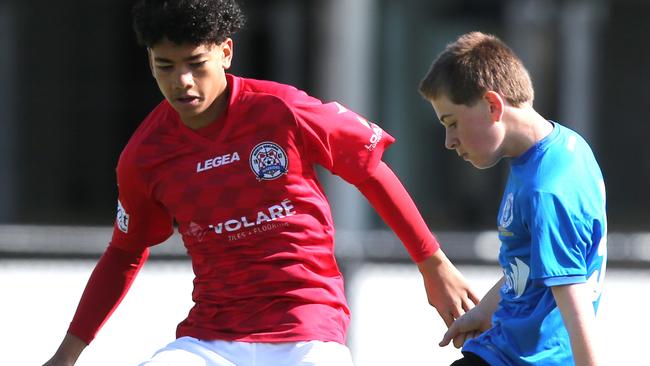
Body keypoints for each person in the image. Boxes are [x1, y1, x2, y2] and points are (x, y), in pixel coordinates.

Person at [43, 1, 478, 365]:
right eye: (166, 66)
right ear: (150, 63)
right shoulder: (145, 156)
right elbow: (124, 251)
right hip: (211, 339)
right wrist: (67, 354)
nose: (183, 81)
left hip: (307, 329)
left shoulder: (281, 109)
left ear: (226, 53)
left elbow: (368, 169)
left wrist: (433, 264)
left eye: (196, 64)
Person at [419, 31, 607, 366]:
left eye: (453, 123)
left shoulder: (548, 189)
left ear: (493, 106)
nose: (449, 141)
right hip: (500, 348)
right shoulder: (551, 152)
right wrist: (485, 311)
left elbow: (576, 305)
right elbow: (532, 267)